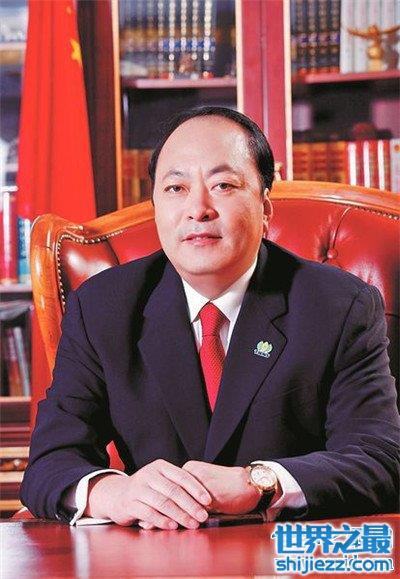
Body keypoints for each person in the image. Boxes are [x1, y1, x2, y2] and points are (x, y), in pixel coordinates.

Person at [21, 107, 400, 530]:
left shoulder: (339, 306)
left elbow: (378, 461)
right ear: (155, 207)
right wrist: (114, 493)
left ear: (265, 208)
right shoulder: (104, 307)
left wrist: (261, 482)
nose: (197, 209)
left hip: (289, 551)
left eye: (223, 185)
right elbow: (50, 463)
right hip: (153, 553)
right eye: (176, 188)